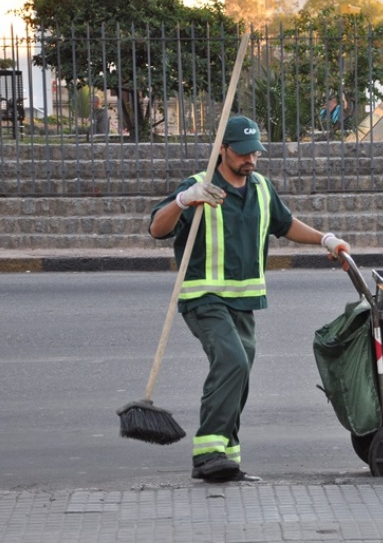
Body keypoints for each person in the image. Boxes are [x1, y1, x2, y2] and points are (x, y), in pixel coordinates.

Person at [148, 115, 350, 483]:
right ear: (223, 150)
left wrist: (326, 239)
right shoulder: (199, 186)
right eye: (242, 153)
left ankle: (227, 456)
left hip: (244, 301)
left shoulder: (261, 188)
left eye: (254, 152)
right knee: (232, 362)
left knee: (238, 376)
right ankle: (207, 453)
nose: (250, 159)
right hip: (203, 297)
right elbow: (157, 228)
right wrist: (183, 200)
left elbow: (285, 224)